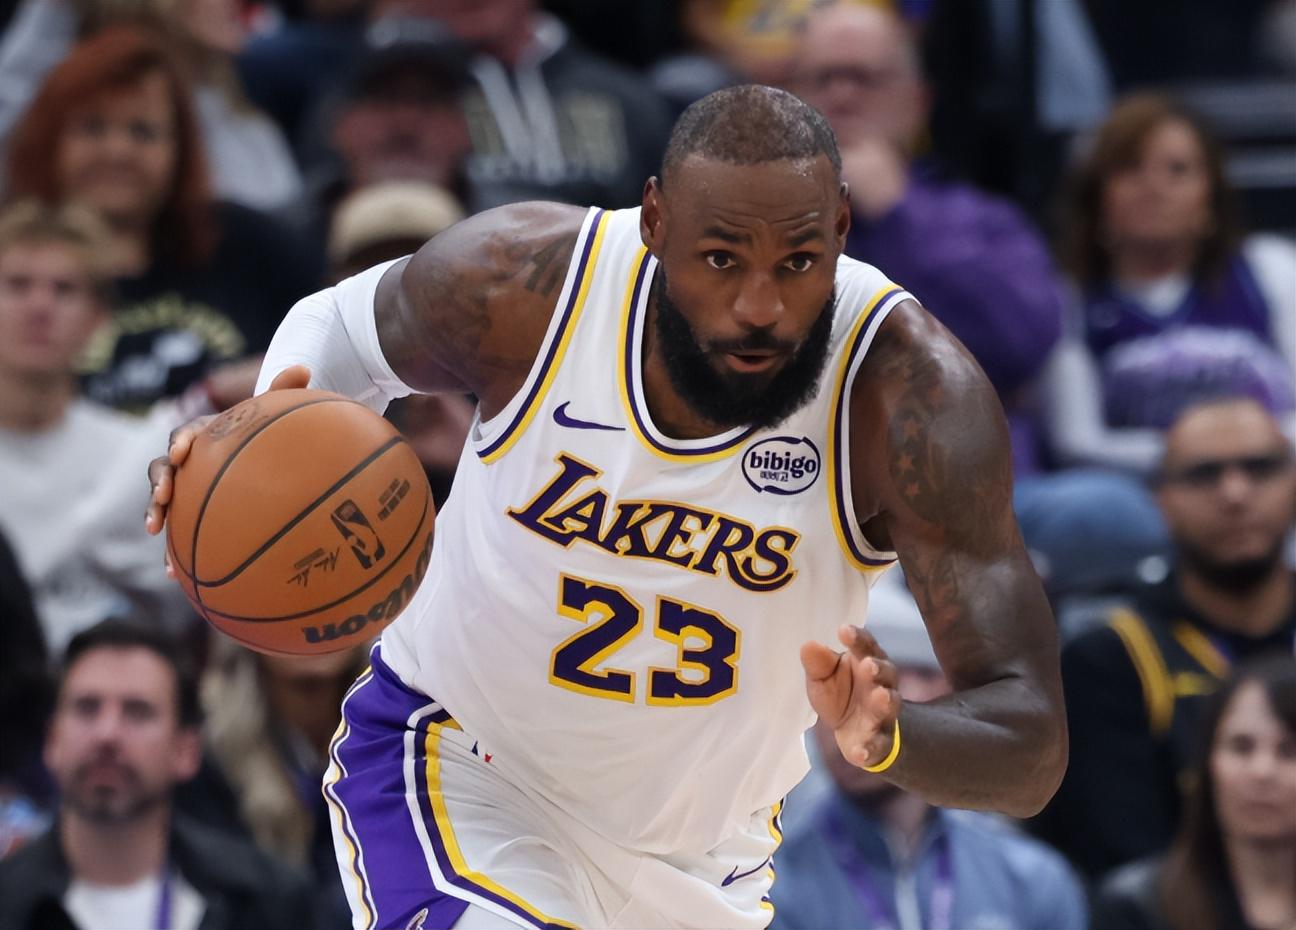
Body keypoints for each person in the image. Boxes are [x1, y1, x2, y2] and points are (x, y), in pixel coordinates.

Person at [147, 85, 1067, 929]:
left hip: (707, 857)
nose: (760, 305)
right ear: (655, 221)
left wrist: (892, 735)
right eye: (721, 258)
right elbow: (341, 328)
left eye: (798, 261)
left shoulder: (908, 396)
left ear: (840, 229)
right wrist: (259, 439)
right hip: (462, 768)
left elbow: (1029, 744)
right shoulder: (529, 282)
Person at [791, 2, 1065, 476]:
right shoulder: (748, 225)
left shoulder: (986, 221)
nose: (842, 96)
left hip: (969, 479)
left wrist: (896, 215)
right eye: (822, 79)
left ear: (917, 102)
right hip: (797, 477)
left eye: (864, 78)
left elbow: (1019, 348)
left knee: (1098, 507)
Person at [1034, 396, 1296, 879]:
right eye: (1204, 475)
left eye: (1259, 468)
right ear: (1161, 500)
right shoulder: (1109, 659)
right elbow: (1124, 868)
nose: (1235, 493)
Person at [5, 25, 322, 413]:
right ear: (51, 141)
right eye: (93, 127)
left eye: (142, 131)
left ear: (180, 149)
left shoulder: (249, 246)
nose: (118, 151)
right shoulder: (11, 261)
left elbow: (326, 343)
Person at [770, 574, 1088, 929]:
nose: (846, 728)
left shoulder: (1029, 877)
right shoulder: (768, 885)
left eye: (875, 691)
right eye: (826, 702)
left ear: (941, 689)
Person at [0, 619, 319, 930]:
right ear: (52, 740)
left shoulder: (272, 901)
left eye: (137, 711)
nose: (107, 733)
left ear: (186, 750)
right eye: (87, 708)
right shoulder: (9, 903)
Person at [1043, 93, 1296, 476]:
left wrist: (1247, 460)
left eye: (1178, 170)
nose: (1154, 186)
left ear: (1211, 196)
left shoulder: (1269, 268)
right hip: (1142, 490)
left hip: (1271, 474)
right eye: (1131, 168)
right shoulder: (1068, 301)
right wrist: (1197, 464)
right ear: (1097, 196)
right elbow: (1076, 442)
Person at [0, 199, 191, 652]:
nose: (40, 306)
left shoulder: (140, 455)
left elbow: (174, 607)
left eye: (64, 289)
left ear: (99, 317)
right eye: (17, 285)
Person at [1092, 652, 1296, 930]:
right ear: (1207, 763)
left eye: (1288, 751)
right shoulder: (1136, 905)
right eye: (1241, 747)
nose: (1262, 771)